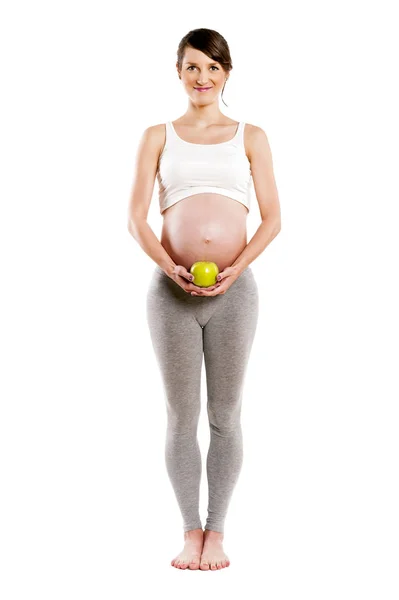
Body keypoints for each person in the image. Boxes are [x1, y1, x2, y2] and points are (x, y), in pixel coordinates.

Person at [127, 28, 281, 570]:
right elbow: (135, 219)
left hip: (235, 295)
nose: (202, 78)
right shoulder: (158, 136)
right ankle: (189, 531)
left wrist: (236, 269)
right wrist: (170, 267)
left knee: (226, 415)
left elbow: (273, 219)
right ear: (178, 72)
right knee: (179, 415)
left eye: (213, 68)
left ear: (226, 73)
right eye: (193, 67)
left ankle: (217, 533)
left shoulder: (251, 136)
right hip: (171, 294)